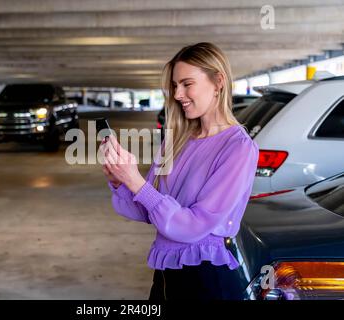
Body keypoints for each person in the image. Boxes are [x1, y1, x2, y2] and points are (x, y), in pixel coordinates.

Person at [100, 42, 259, 300]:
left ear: (218, 81)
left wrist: (136, 181)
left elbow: (194, 225)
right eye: (175, 86)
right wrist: (121, 181)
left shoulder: (238, 148)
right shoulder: (176, 140)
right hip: (165, 276)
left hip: (205, 280)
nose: (177, 94)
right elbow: (147, 209)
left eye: (187, 84)